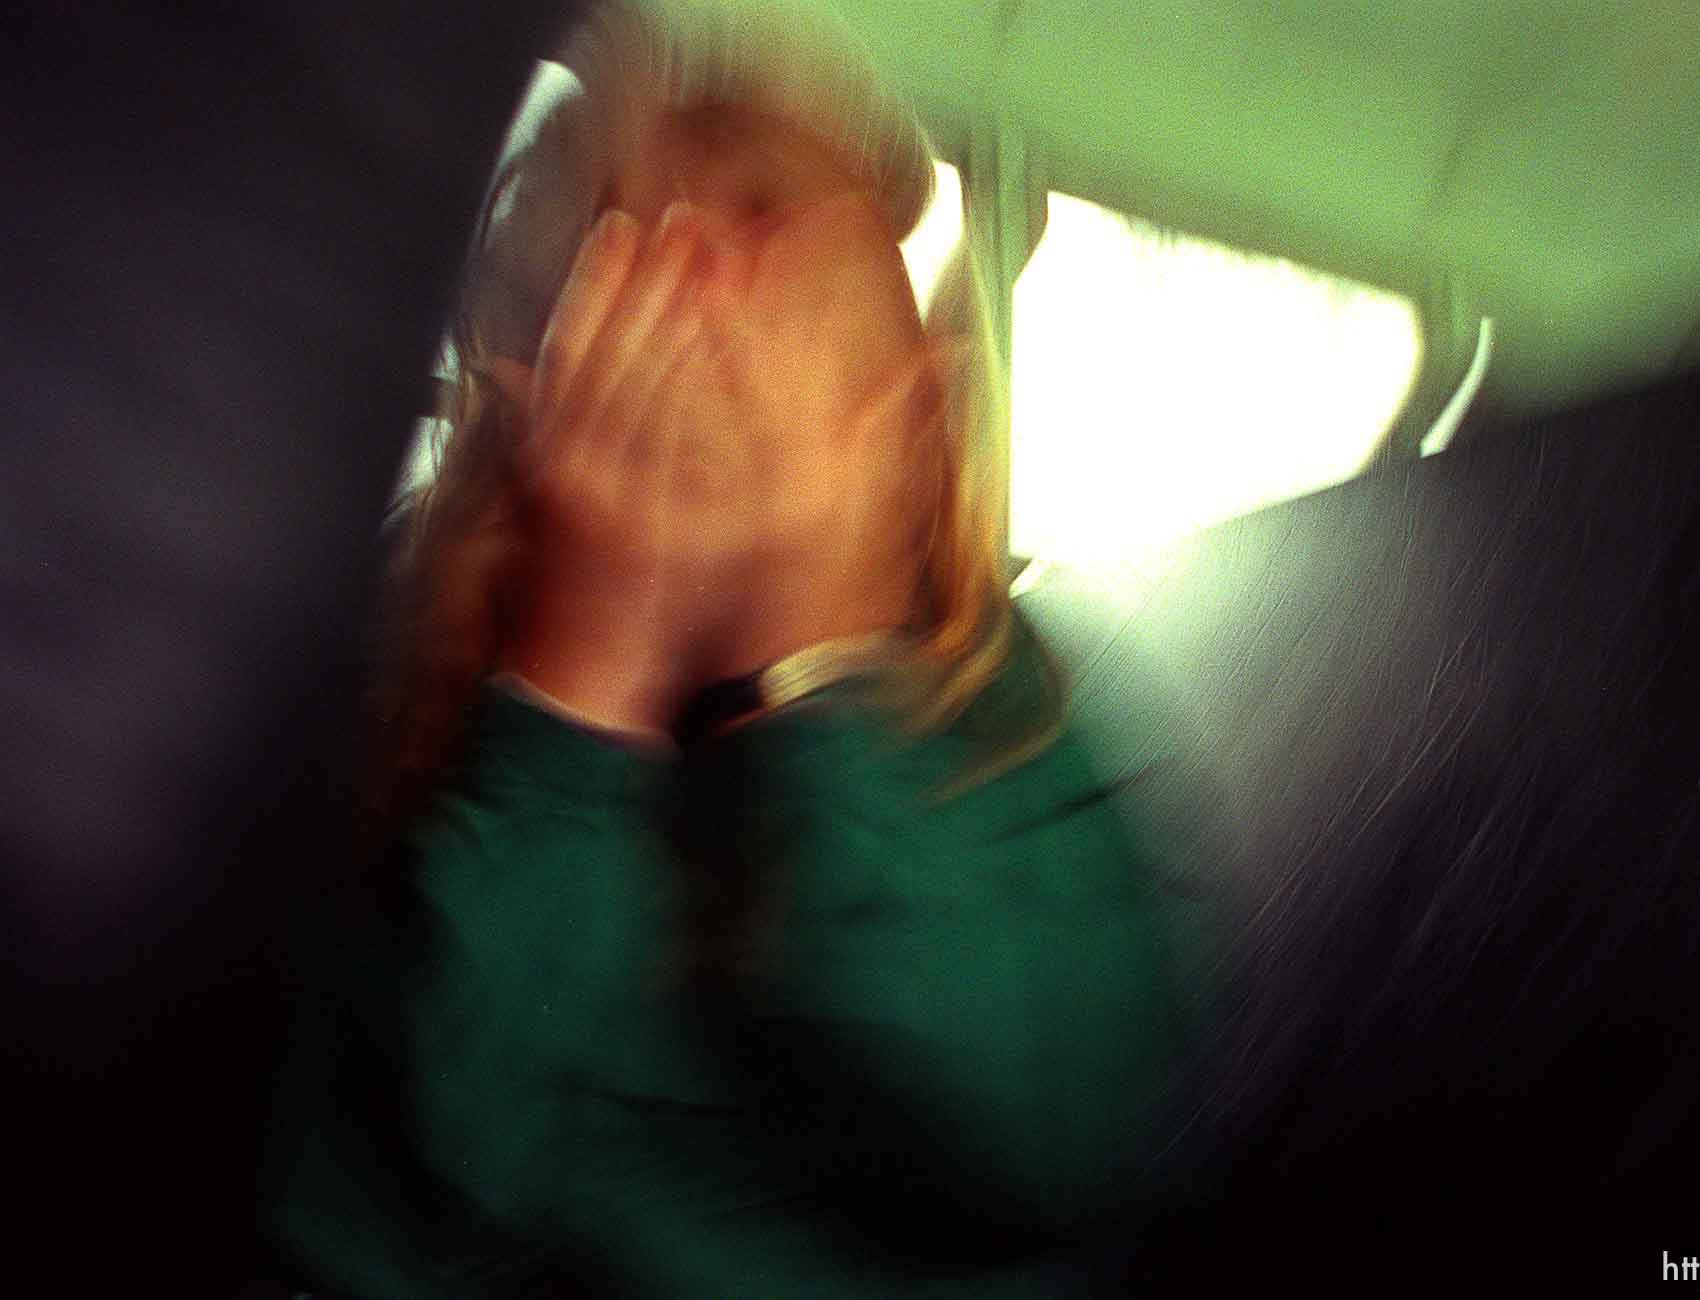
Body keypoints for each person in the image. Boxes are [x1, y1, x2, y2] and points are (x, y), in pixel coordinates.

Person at [258, 2, 1192, 1296]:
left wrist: (815, 639)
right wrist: (580, 684)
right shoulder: (421, 704)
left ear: (911, 412)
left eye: (765, 223)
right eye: (625, 259)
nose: (696, 278)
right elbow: (371, 1220)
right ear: (537, 409)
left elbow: (1050, 1143)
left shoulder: (1000, 705)